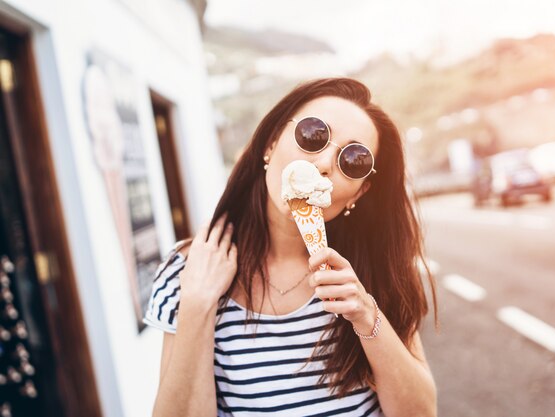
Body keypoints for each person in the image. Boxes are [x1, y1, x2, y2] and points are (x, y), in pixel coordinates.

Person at [143, 78, 438, 417]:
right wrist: (196, 305)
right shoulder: (188, 269)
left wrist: (366, 315)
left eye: (353, 160)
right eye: (313, 135)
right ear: (271, 143)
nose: (325, 163)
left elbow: (421, 413)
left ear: (358, 192)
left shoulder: (374, 269)